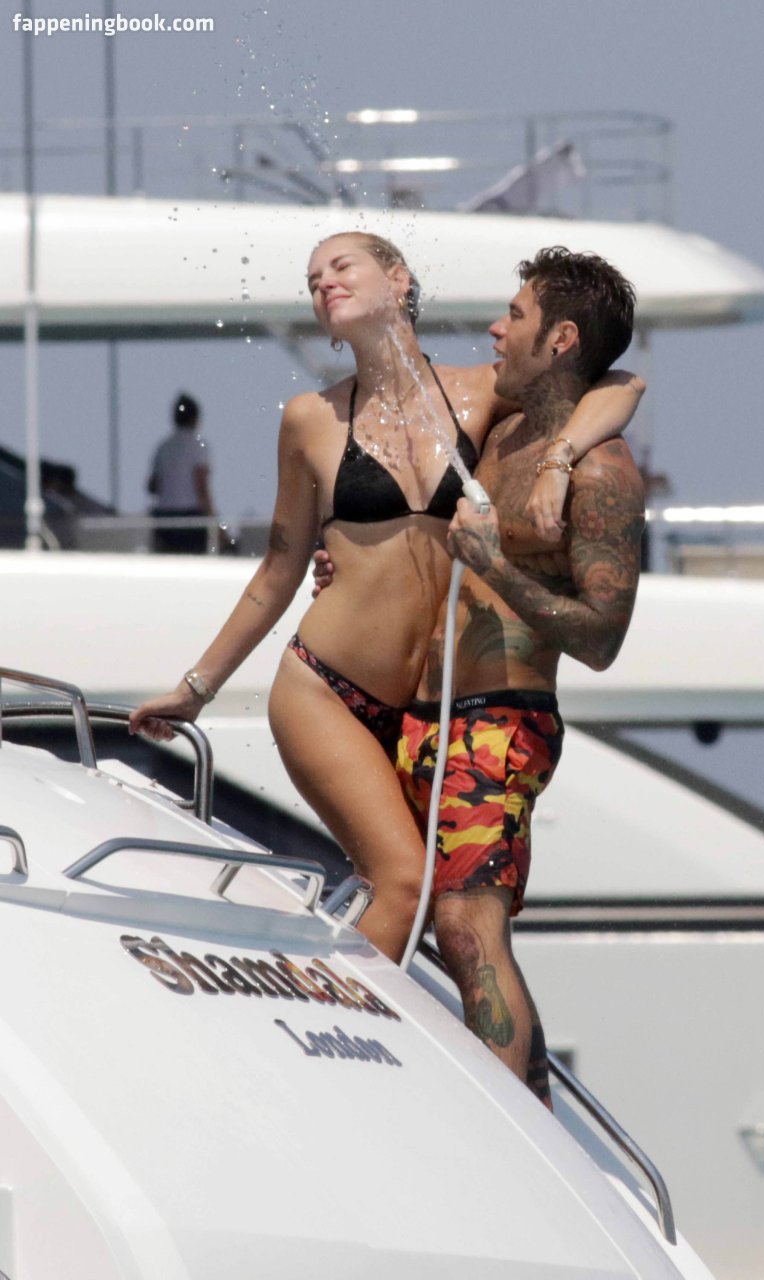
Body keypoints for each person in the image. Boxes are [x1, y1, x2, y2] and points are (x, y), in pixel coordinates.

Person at [129, 232, 642, 964]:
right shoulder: (309, 418)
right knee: (404, 882)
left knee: (420, 896)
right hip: (324, 688)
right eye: (313, 278)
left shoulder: (480, 393)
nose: (323, 282)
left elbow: (619, 384)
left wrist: (559, 460)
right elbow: (277, 571)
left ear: (399, 280)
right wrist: (196, 689)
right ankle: (339, 1020)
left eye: (342, 266)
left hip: (420, 712)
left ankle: (332, 991)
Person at [400, 248, 645, 1104]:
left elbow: (602, 639)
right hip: (422, 716)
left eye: (514, 314)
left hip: (499, 719)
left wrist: (496, 567)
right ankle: (527, 1113)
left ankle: (510, 1136)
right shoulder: (508, 432)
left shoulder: (603, 474)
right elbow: (629, 381)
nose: (495, 329)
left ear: (561, 337)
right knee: (416, 918)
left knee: (468, 926)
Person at [148, 392, 215, 553]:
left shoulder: (163, 447)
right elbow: (201, 487)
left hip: (164, 520)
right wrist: (214, 521)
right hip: (191, 521)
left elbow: (152, 486)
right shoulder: (198, 446)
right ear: (195, 419)